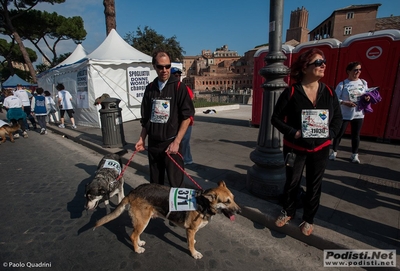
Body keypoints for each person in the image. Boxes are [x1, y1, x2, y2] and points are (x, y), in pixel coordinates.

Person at [271, 48, 342, 236]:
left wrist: (330, 134)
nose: (323, 65)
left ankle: (309, 219)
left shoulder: (329, 92)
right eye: (318, 62)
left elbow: (338, 119)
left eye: (324, 62)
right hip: (295, 148)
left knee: (314, 185)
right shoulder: (292, 92)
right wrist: (293, 132)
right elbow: (276, 118)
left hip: (320, 148)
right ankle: (288, 211)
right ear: (304, 67)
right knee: (292, 182)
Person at [135, 50, 195, 187]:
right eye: (160, 67)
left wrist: (177, 142)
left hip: (171, 144)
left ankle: (176, 209)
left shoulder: (179, 87)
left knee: (176, 184)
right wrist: (142, 138)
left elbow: (187, 117)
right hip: (154, 145)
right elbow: (146, 118)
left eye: (167, 66)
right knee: (155, 185)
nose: (164, 70)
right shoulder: (150, 88)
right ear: (154, 67)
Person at [329, 61, 371, 164]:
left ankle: (354, 155)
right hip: (345, 114)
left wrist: (367, 98)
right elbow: (334, 99)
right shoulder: (342, 84)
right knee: (339, 134)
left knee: (356, 135)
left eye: (360, 69)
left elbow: (367, 95)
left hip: (359, 114)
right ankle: (334, 152)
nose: (358, 72)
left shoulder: (363, 83)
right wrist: (344, 102)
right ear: (348, 71)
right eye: (355, 70)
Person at [171, 67, 194, 165]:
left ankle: (187, 159)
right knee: (179, 141)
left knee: (184, 141)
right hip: (176, 120)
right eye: (175, 75)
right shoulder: (170, 88)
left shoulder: (184, 88)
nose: (178, 77)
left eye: (179, 75)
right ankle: (181, 158)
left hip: (185, 120)